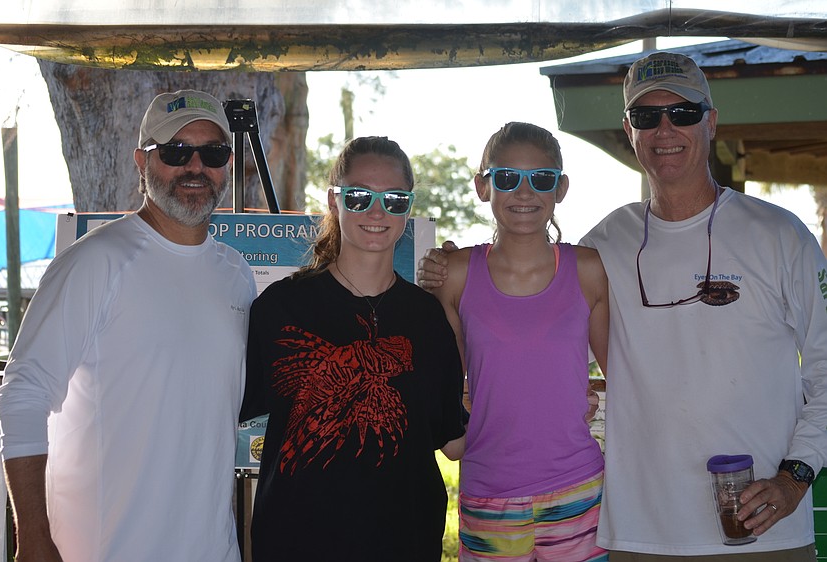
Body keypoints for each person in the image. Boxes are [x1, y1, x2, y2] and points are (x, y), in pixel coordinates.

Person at [420, 52, 827, 561]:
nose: (664, 129)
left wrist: (796, 477)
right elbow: (522, 279)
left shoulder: (779, 234)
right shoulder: (605, 244)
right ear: (630, 130)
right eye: (646, 116)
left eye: (683, 113)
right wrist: (448, 264)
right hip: (639, 532)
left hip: (760, 528)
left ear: (712, 121)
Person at [0, 89, 257, 562]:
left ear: (228, 163)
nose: (195, 167)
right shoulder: (96, 261)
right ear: (142, 161)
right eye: (176, 151)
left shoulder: (236, 273)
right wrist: (32, 537)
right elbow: (23, 393)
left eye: (212, 153)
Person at [238, 136, 466, 561]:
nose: (377, 211)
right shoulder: (280, 308)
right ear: (334, 200)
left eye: (394, 199)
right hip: (295, 543)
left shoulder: (428, 317)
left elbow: (454, 439)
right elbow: (223, 409)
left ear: (408, 208)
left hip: (405, 542)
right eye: (359, 197)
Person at [429, 122, 609, 561]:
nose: (524, 193)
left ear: (560, 188)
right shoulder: (453, 274)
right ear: (482, 186)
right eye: (507, 177)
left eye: (541, 179)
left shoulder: (587, 269)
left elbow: (623, 376)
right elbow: (444, 388)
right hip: (489, 492)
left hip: (580, 490)